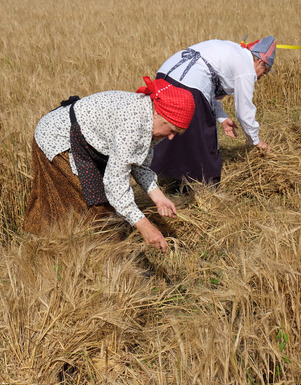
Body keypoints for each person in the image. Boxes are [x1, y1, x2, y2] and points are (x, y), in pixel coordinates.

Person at [23, 76, 195, 253]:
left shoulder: (154, 124)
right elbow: (114, 183)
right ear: (158, 113)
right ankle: (42, 250)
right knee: (85, 206)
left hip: (88, 143)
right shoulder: (132, 124)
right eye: (172, 130)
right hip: (58, 138)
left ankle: (56, 250)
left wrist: (158, 197)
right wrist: (145, 227)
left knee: (94, 208)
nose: (171, 137)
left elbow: (138, 163)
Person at [150, 36, 276, 185]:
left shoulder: (233, 50)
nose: (261, 77)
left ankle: (164, 178)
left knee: (168, 129)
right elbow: (244, 110)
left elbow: (206, 86)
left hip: (166, 74)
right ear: (260, 61)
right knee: (204, 137)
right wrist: (255, 141)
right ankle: (205, 186)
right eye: (264, 71)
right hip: (189, 83)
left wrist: (222, 118)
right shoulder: (246, 67)